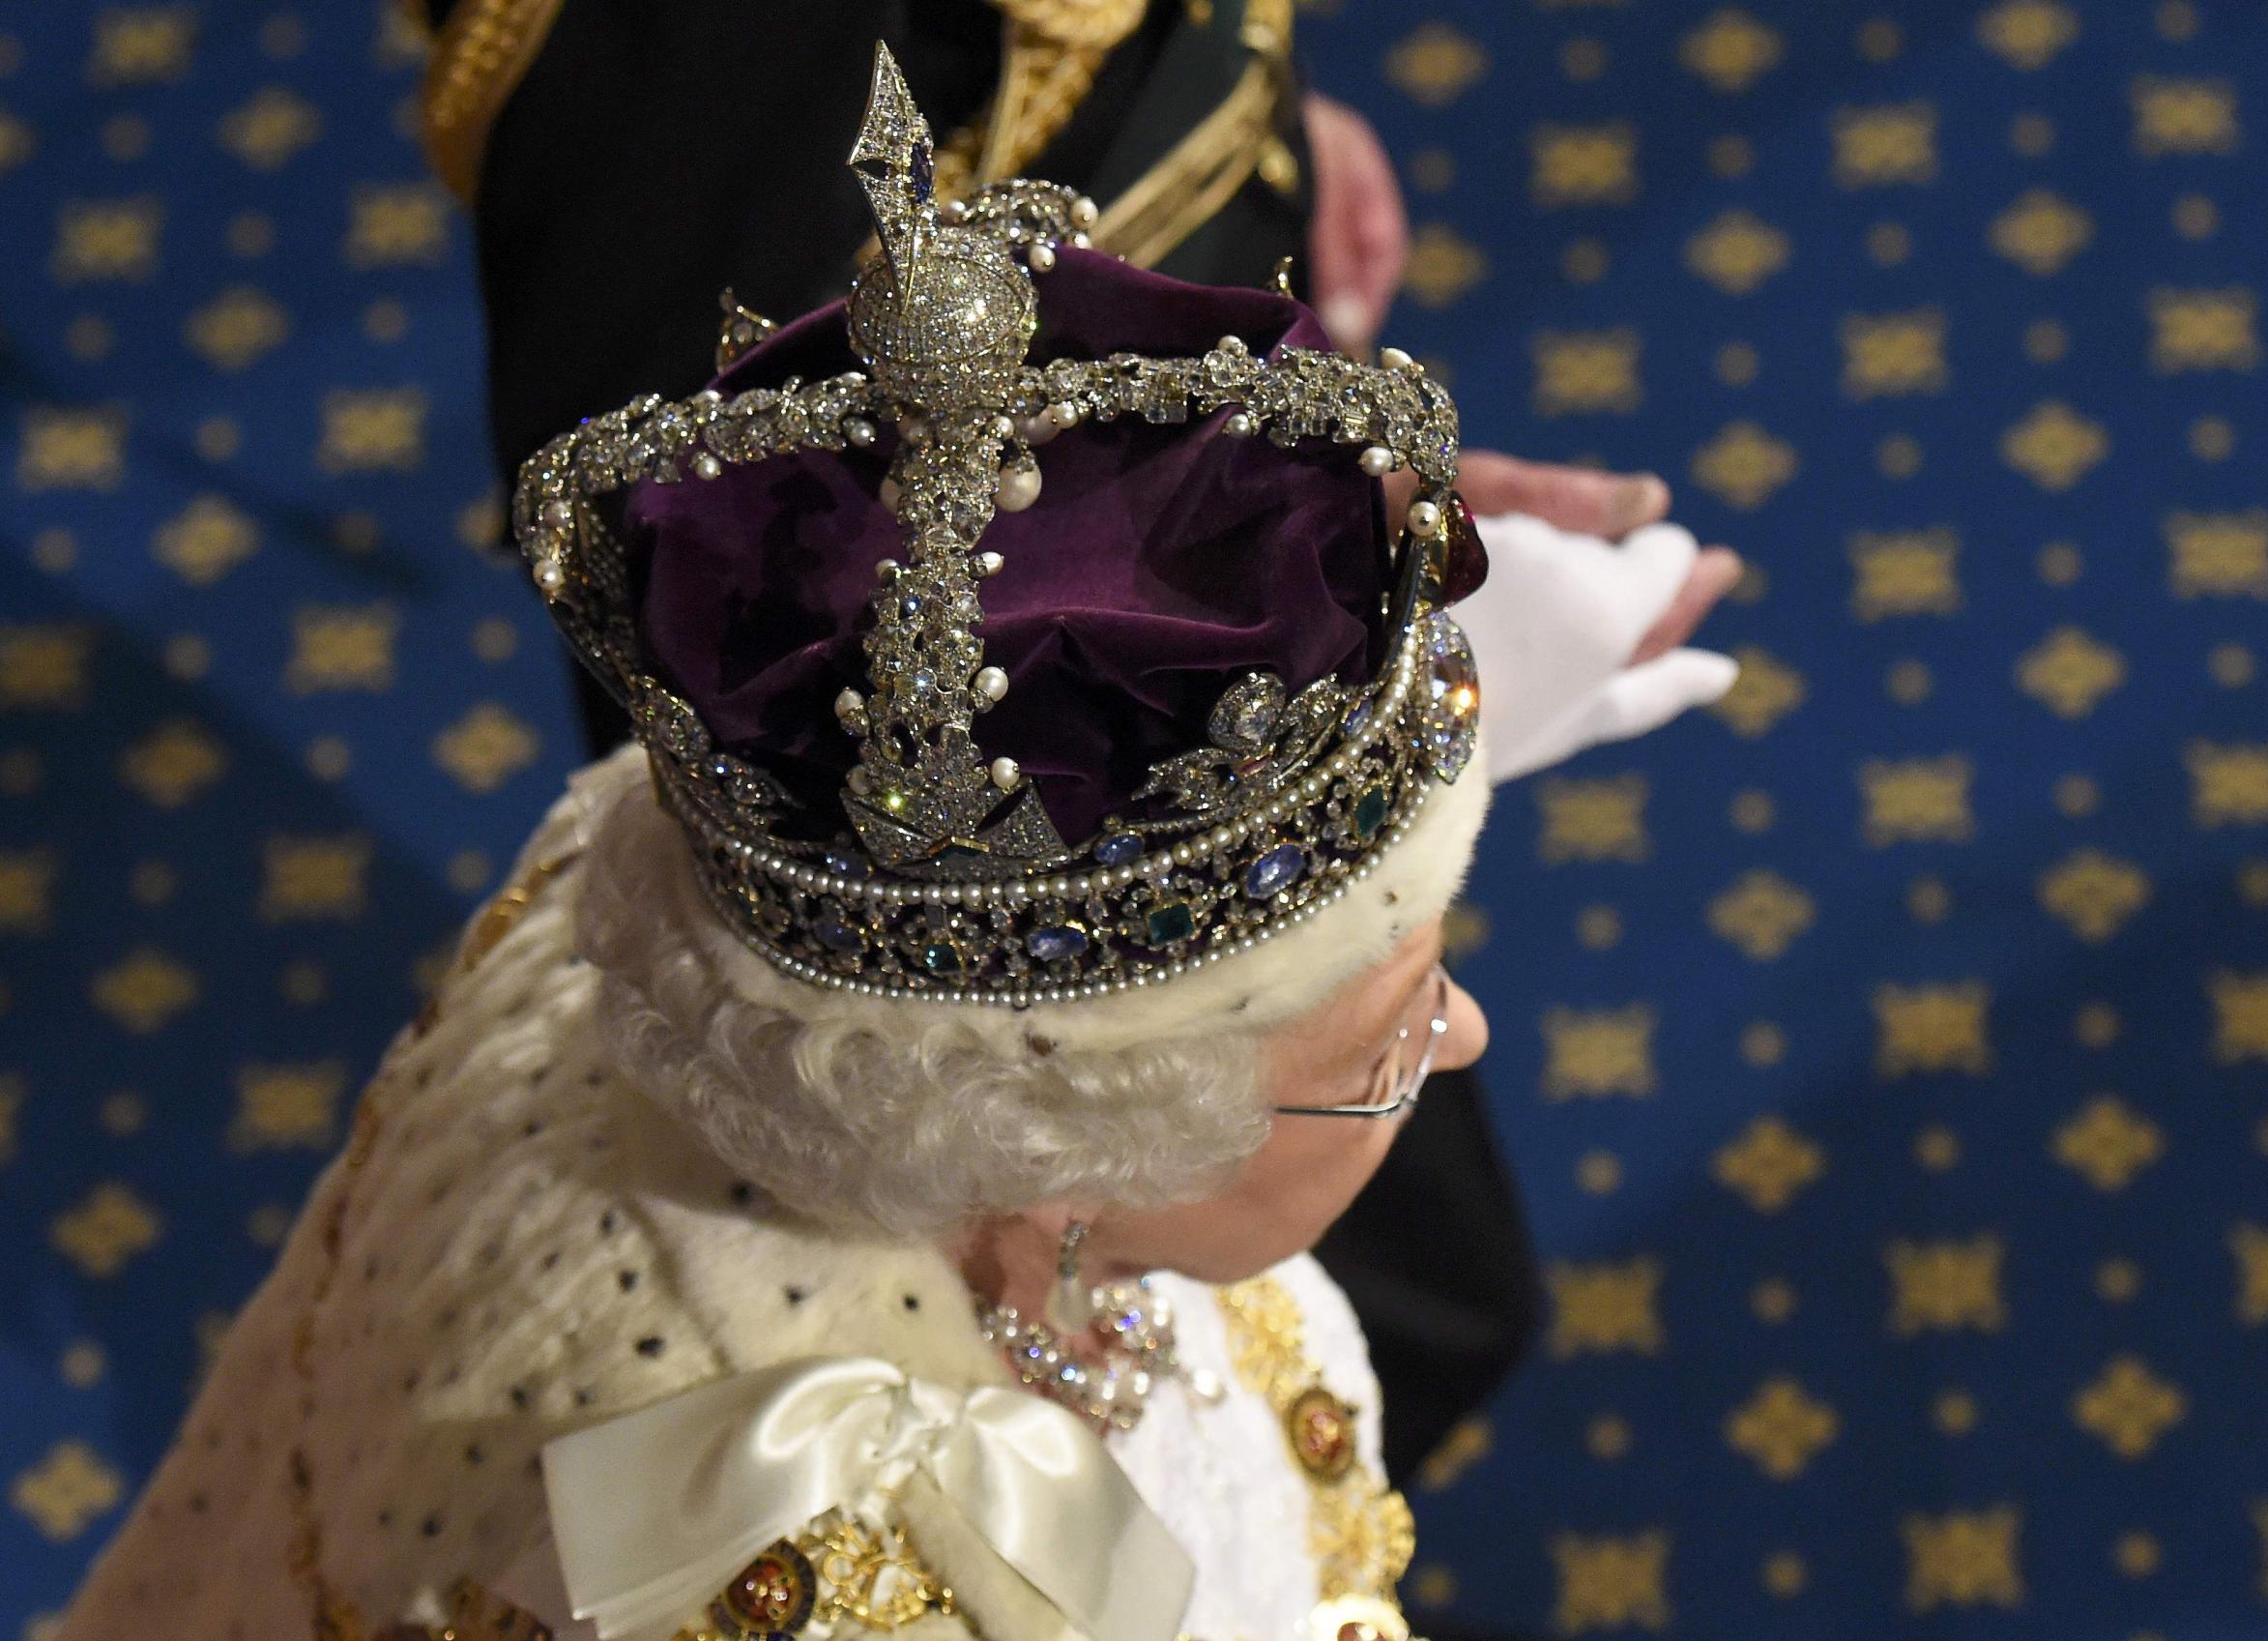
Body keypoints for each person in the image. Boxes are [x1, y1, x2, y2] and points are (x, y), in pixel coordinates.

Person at [57, 56, 1732, 1641]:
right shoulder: (840, 1553)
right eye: (1385, 1039)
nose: (1462, 1036)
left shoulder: (671, 937)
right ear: (1073, 1153)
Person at [416, 0, 1736, 1482]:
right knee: (1429, 1295)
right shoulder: (830, 1504)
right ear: (1050, 1178)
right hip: (1050, 847)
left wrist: (1247, 119)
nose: (1472, 1025)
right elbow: (752, 556)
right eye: (1387, 1042)